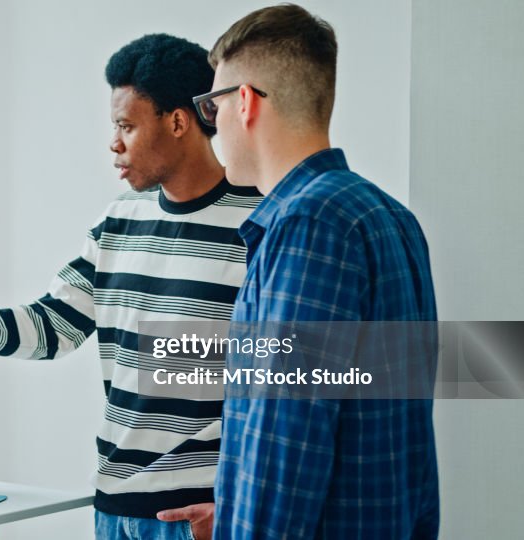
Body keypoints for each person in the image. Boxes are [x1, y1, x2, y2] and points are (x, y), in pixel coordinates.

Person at [0, 34, 261, 540]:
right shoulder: (120, 220)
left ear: (178, 122)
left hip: (204, 515)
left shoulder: (261, 222)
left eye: (127, 126)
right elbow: (50, 329)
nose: (114, 143)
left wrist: (241, 506)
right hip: (114, 510)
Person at [194, 4, 439, 538]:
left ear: (244, 103)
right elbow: (411, 442)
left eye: (212, 107)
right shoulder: (389, 216)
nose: (212, 129)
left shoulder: (308, 222)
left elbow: (283, 435)